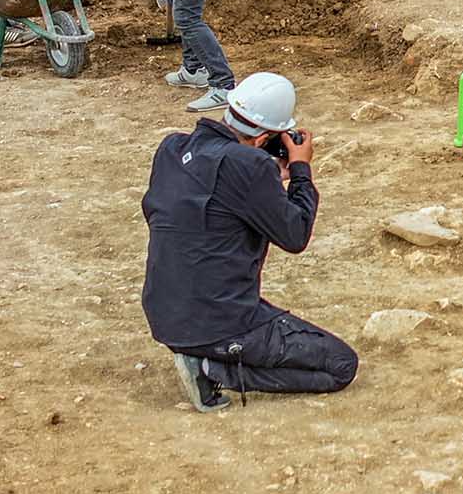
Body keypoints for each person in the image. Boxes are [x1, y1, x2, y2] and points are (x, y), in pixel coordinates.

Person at [142, 72, 359, 412]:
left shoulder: (172, 148)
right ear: (266, 138)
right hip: (221, 322)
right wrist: (300, 169)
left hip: (165, 311)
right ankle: (214, 368)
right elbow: (296, 235)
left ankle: (206, 356)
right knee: (341, 365)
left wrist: (269, 180)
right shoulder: (251, 166)